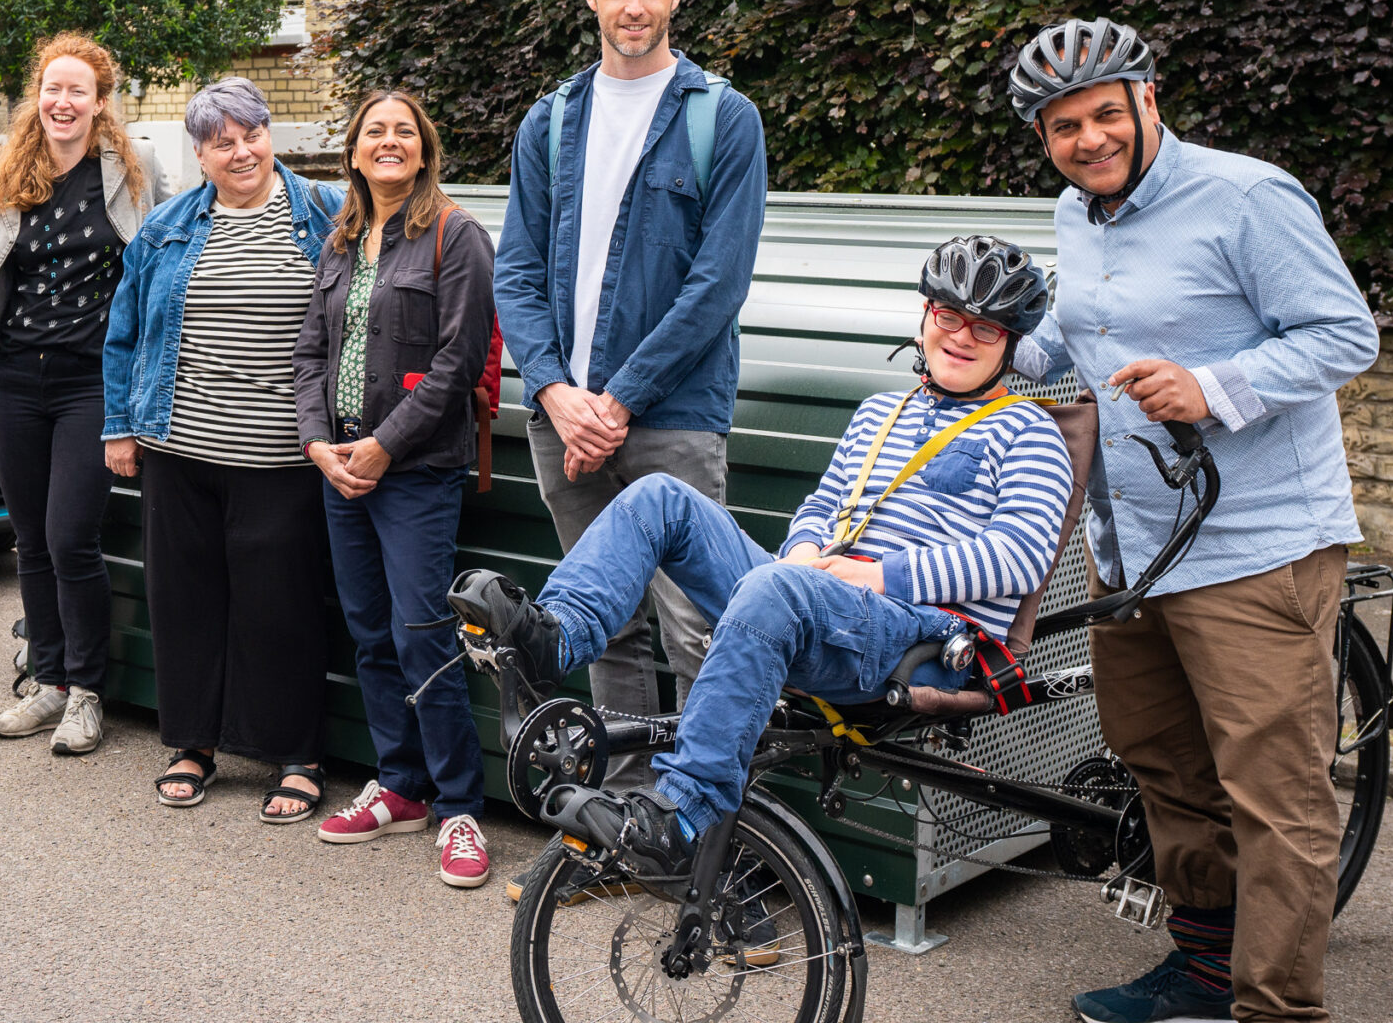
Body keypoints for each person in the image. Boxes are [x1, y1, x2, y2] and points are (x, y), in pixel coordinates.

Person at [1004, 17, 1380, 1023]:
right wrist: (998, 345)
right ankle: (1207, 974)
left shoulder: (1247, 197)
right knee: (1164, 764)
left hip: (1254, 545)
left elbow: (1343, 334)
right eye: (1064, 126)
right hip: (1133, 547)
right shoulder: (1075, 215)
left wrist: (1213, 387)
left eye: (1104, 114)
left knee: (1275, 791)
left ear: (1148, 98)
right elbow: (1081, 344)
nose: (1088, 139)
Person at [451, 237, 1073, 862]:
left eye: (986, 329)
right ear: (925, 316)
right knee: (660, 497)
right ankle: (556, 637)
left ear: (1011, 345)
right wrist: (802, 550)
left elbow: (1020, 554)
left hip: (922, 635)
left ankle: (680, 814)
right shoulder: (880, 411)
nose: (961, 337)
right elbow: (822, 505)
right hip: (815, 596)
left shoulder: (1030, 431)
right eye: (949, 316)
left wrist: (877, 577)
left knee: (777, 588)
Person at [492, 0, 768, 781]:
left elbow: (717, 286)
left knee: (697, 628)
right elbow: (517, 271)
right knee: (605, 625)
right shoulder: (551, 121)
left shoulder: (724, 118)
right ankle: (628, 815)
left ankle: (708, 828)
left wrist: (615, 401)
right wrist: (553, 391)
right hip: (564, 418)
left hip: (671, 417)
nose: (634, 6)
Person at [103, 78, 343, 818]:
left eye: (252, 135)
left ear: (270, 135)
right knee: (185, 603)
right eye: (222, 143)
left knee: (283, 608)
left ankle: (296, 755)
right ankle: (192, 744)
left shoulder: (328, 214)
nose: (241, 152)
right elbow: (125, 332)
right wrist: (118, 425)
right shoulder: (167, 227)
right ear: (200, 155)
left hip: (283, 456)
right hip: (179, 450)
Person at [293, 91, 497, 889]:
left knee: (422, 636)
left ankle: (460, 808)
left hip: (414, 471)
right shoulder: (341, 239)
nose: (389, 141)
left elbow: (457, 363)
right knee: (370, 633)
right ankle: (400, 786)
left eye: (403, 132)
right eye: (374, 131)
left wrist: (384, 446)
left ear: (423, 150)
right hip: (340, 468)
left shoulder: (456, 234)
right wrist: (319, 444)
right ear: (353, 151)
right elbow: (310, 355)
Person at [0, 34, 156, 755]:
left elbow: (151, 282)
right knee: (29, 543)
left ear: (100, 102)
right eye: (53, 88)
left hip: (91, 383)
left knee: (69, 539)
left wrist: (139, 397)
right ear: (38, 96)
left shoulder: (129, 177)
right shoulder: (13, 174)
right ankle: (46, 684)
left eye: (79, 90)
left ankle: (86, 692)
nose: (63, 101)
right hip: (18, 378)